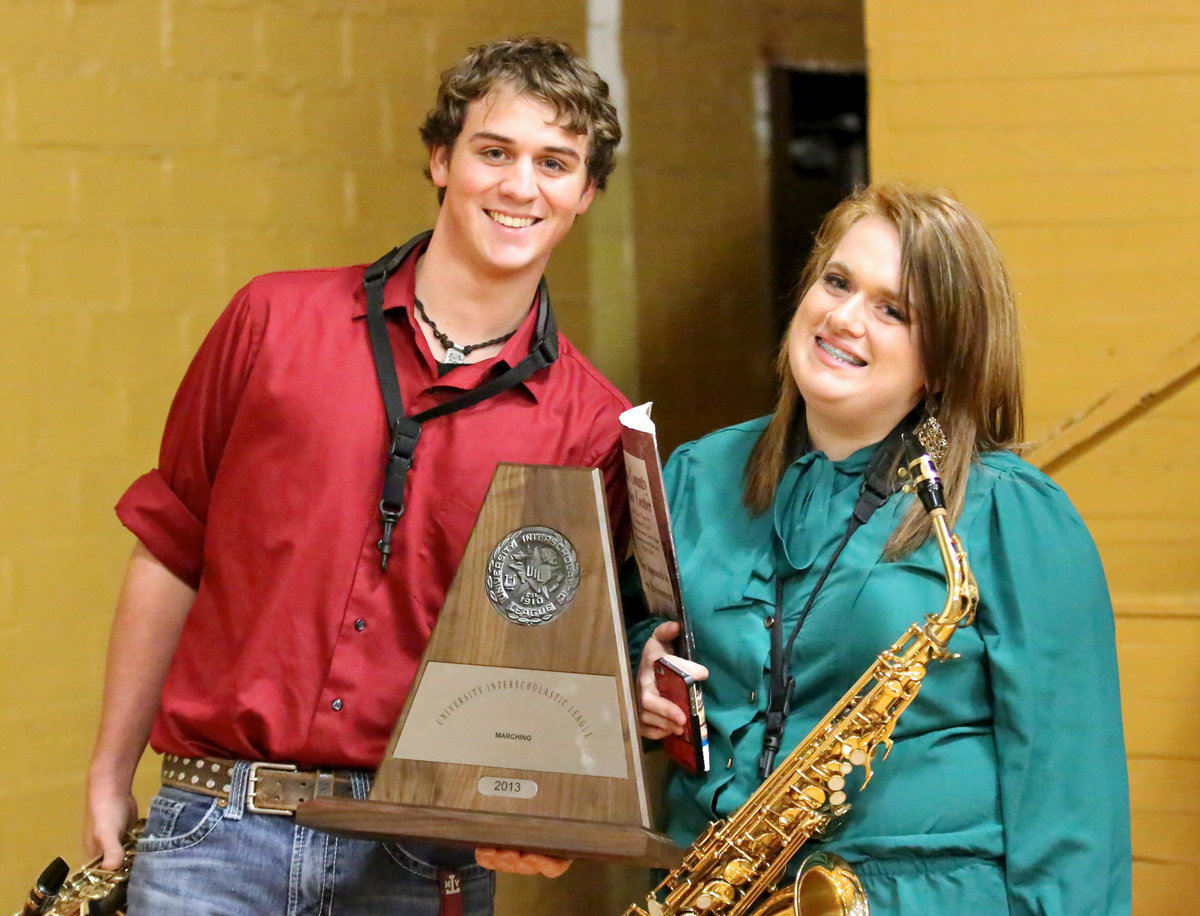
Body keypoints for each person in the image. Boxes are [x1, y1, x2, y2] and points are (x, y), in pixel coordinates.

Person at [85, 36, 628, 915]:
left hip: (422, 862)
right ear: (442, 159)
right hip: (213, 835)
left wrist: (551, 818)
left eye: (555, 163)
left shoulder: (593, 425)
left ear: (586, 193)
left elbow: (551, 669)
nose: (520, 186)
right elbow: (169, 549)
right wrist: (109, 772)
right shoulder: (272, 319)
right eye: (495, 152)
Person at [632, 183, 1131, 914]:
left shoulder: (1009, 513)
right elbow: (647, 634)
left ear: (941, 361)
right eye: (837, 282)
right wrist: (642, 673)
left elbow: (1072, 801)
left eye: (891, 310)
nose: (843, 318)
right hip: (711, 888)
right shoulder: (697, 474)